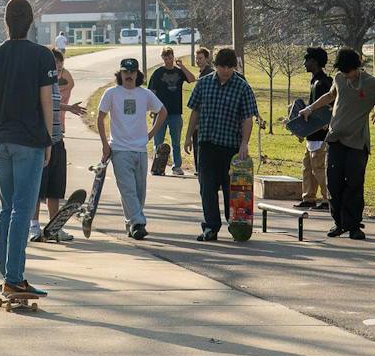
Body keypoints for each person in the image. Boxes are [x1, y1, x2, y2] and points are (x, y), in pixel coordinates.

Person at [0, 0, 56, 305]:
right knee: (23, 210)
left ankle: (7, 273)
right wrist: (49, 139)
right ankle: (14, 278)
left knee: (6, 209)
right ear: (31, 21)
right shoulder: (42, 56)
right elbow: (47, 100)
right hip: (29, 140)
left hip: (2, 139)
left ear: (5, 22)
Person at [296, 47, 375, 240]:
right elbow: (330, 96)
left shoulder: (370, 83)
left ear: (357, 68)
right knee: (333, 184)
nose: (346, 75)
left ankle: (353, 225)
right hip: (335, 139)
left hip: (356, 143)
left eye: (348, 72)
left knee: (354, 184)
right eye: (342, 72)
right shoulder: (339, 78)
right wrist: (310, 108)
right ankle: (339, 223)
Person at [184, 47, 258, 242]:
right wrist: (188, 136)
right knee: (207, 187)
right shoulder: (204, 84)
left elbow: (247, 118)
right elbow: (195, 112)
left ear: (234, 67)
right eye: (222, 67)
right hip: (206, 143)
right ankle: (211, 227)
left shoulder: (242, 87)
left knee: (230, 189)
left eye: (229, 67)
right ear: (215, 65)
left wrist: (244, 143)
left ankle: (235, 224)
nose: (225, 71)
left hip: (230, 146)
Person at [97, 57, 167, 240]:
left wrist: (150, 135)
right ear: (120, 74)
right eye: (125, 72)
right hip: (119, 149)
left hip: (140, 149)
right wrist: (105, 144)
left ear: (138, 74)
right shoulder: (111, 93)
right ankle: (138, 222)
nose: (129, 75)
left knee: (139, 190)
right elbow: (100, 117)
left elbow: (163, 111)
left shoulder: (144, 94)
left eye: (132, 72)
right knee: (127, 188)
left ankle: (132, 223)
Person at [30, 47, 84, 241]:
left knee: (55, 187)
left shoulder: (54, 85)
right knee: (37, 188)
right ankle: (34, 227)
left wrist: (68, 107)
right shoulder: (37, 83)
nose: (58, 72)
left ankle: (54, 226)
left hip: (57, 139)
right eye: (55, 67)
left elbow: (52, 104)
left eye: (60, 68)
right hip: (40, 143)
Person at [147, 47, 195, 175]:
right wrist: (152, 109)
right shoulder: (157, 73)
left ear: (173, 57)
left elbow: (192, 79)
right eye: (166, 58)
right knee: (158, 142)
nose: (168, 61)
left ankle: (176, 166)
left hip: (175, 112)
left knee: (176, 142)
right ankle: (158, 166)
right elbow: (151, 92)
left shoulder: (179, 72)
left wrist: (182, 67)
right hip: (160, 112)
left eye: (170, 58)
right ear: (162, 58)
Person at [295, 47, 333, 211]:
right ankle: (309, 197)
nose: (304, 63)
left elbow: (323, 111)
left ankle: (328, 199)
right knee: (308, 167)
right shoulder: (314, 81)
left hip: (320, 134)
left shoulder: (322, 83)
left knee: (319, 167)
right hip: (311, 133)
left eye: (307, 60)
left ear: (315, 62)